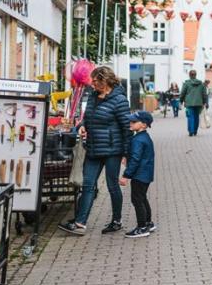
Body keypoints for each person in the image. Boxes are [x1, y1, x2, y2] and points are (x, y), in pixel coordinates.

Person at [58, 66, 130, 235]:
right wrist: (82, 126)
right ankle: (80, 223)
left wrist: (127, 153)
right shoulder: (92, 96)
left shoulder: (119, 100)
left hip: (113, 150)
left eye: (96, 81)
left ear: (105, 80)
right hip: (93, 148)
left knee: (112, 186)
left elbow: (127, 128)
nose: (93, 84)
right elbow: (88, 118)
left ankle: (116, 221)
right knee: (88, 185)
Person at [119, 110, 156, 238]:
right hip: (145, 174)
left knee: (137, 200)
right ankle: (148, 223)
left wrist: (126, 175)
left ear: (144, 125)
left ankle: (142, 227)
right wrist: (126, 156)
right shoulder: (143, 137)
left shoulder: (138, 140)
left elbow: (135, 159)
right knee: (142, 198)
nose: (131, 123)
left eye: (134, 122)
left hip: (139, 174)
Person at [180, 70, 208, 136]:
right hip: (199, 103)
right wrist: (204, 102)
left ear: (189, 75)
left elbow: (182, 93)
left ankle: (191, 131)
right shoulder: (201, 84)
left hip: (189, 103)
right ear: (196, 75)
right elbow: (204, 94)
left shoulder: (186, 83)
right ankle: (195, 131)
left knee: (190, 117)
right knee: (196, 117)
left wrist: (181, 100)